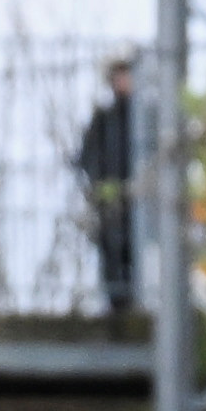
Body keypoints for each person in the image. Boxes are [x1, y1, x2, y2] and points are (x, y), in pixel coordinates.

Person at [78, 55, 140, 314]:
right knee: (112, 255)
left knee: (138, 255)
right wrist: (100, 190)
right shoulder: (104, 119)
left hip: (142, 202)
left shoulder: (147, 116)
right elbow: (87, 159)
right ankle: (117, 306)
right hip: (112, 204)